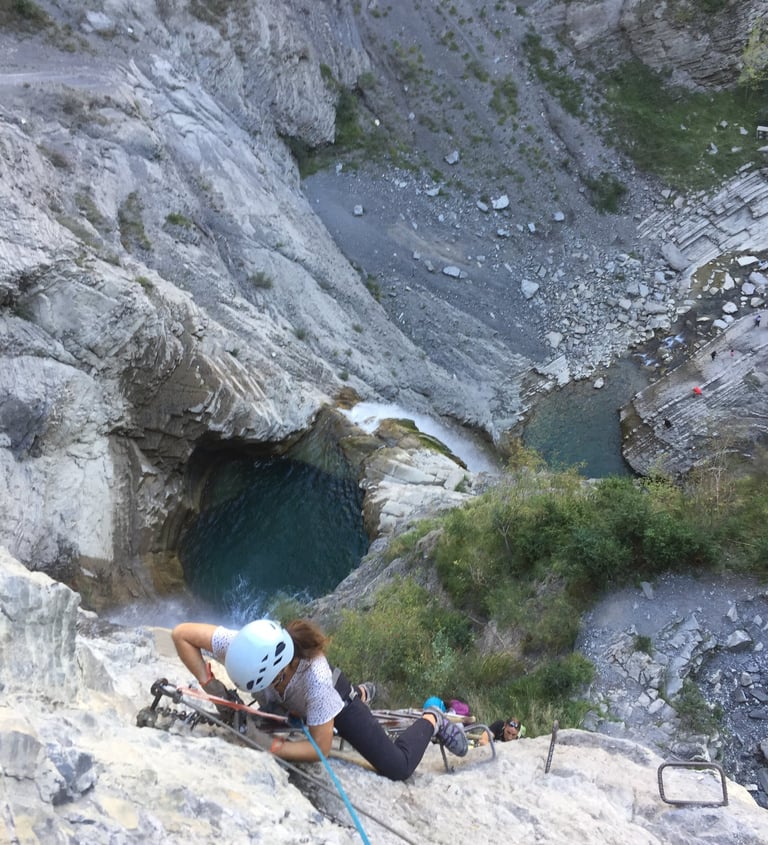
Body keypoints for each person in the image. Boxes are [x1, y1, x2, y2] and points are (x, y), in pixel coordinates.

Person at [171, 618, 468, 780]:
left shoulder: (318, 682)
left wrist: (274, 747)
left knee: (397, 767)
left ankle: (432, 718)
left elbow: (321, 748)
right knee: (281, 714)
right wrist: (210, 685)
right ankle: (364, 692)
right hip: (289, 702)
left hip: (336, 703)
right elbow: (181, 634)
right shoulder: (246, 647)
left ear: (281, 670)